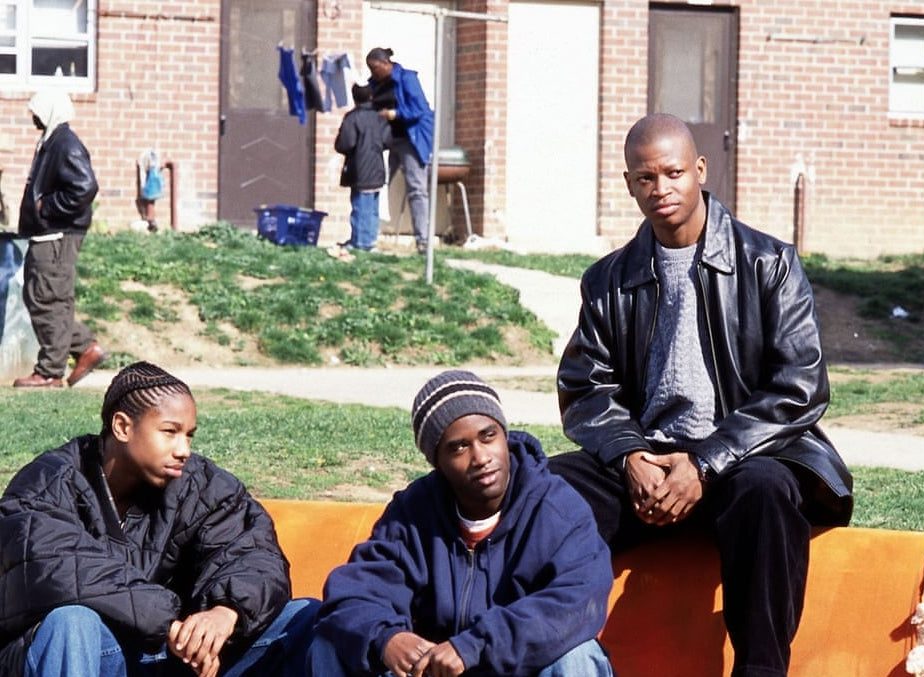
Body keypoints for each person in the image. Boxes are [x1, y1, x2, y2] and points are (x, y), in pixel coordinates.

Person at [549, 113, 853, 677]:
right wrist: (630, 455)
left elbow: (799, 386)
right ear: (629, 184)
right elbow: (585, 386)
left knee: (766, 491)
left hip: (739, 461)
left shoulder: (768, 264)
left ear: (700, 170)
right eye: (645, 178)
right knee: (549, 490)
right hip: (646, 467)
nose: (660, 189)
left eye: (673, 173)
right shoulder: (608, 280)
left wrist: (706, 462)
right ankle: (548, 655)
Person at [0, 361, 317, 676]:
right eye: (170, 432)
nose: (183, 450)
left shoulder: (200, 483)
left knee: (305, 618)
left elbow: (255, 551)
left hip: (176, 653)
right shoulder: (47, 483)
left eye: (189, 435)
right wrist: (166, 623)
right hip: (94, 655)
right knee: (71, 622)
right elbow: (61, 567)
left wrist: (226, 611)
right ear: (123, 427)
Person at [309, 370, 614, 677]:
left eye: (488, 436)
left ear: (504, 435)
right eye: (458, 447)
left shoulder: (556, 508)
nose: (480, 457)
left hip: (515, 667)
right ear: (437, 462)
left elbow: (577, 600)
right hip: (433, 670)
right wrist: (387, 638)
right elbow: (355, 591)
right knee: (333, 642)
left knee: (578, 656)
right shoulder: (413, 513)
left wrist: (473, 646)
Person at [14, 89, 105, 388]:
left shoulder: (65, 143)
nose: (33, 116)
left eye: (37, 111)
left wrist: (47, 207)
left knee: (46, 298)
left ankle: (50, 371)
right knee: (44, 297)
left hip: (56, 235)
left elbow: (85, 187)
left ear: (50, 110)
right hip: (48, 234)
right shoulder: (53, 141)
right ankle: (85, 347)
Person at [366, 47, 434, 255]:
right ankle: (368, 236)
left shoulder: (407, 79)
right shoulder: (374, 84)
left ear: (386, 64)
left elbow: (420, 109)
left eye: (375, 68)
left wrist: (394, 114)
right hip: (387, 139)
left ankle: (423, 241)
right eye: (370, 68)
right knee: (375, 182)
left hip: (410, 139)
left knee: (416, 188)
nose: (373, 72)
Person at [335, 83, 394, 251]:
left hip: (359, 169)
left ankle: (360, 242)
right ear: (371, 96)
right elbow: (387, 141)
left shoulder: (352, 118)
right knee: (373, 208)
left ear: (354, 97)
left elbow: (345, 144)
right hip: (377, 168)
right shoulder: (380, 118)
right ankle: (370, 240)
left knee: (360, 207)